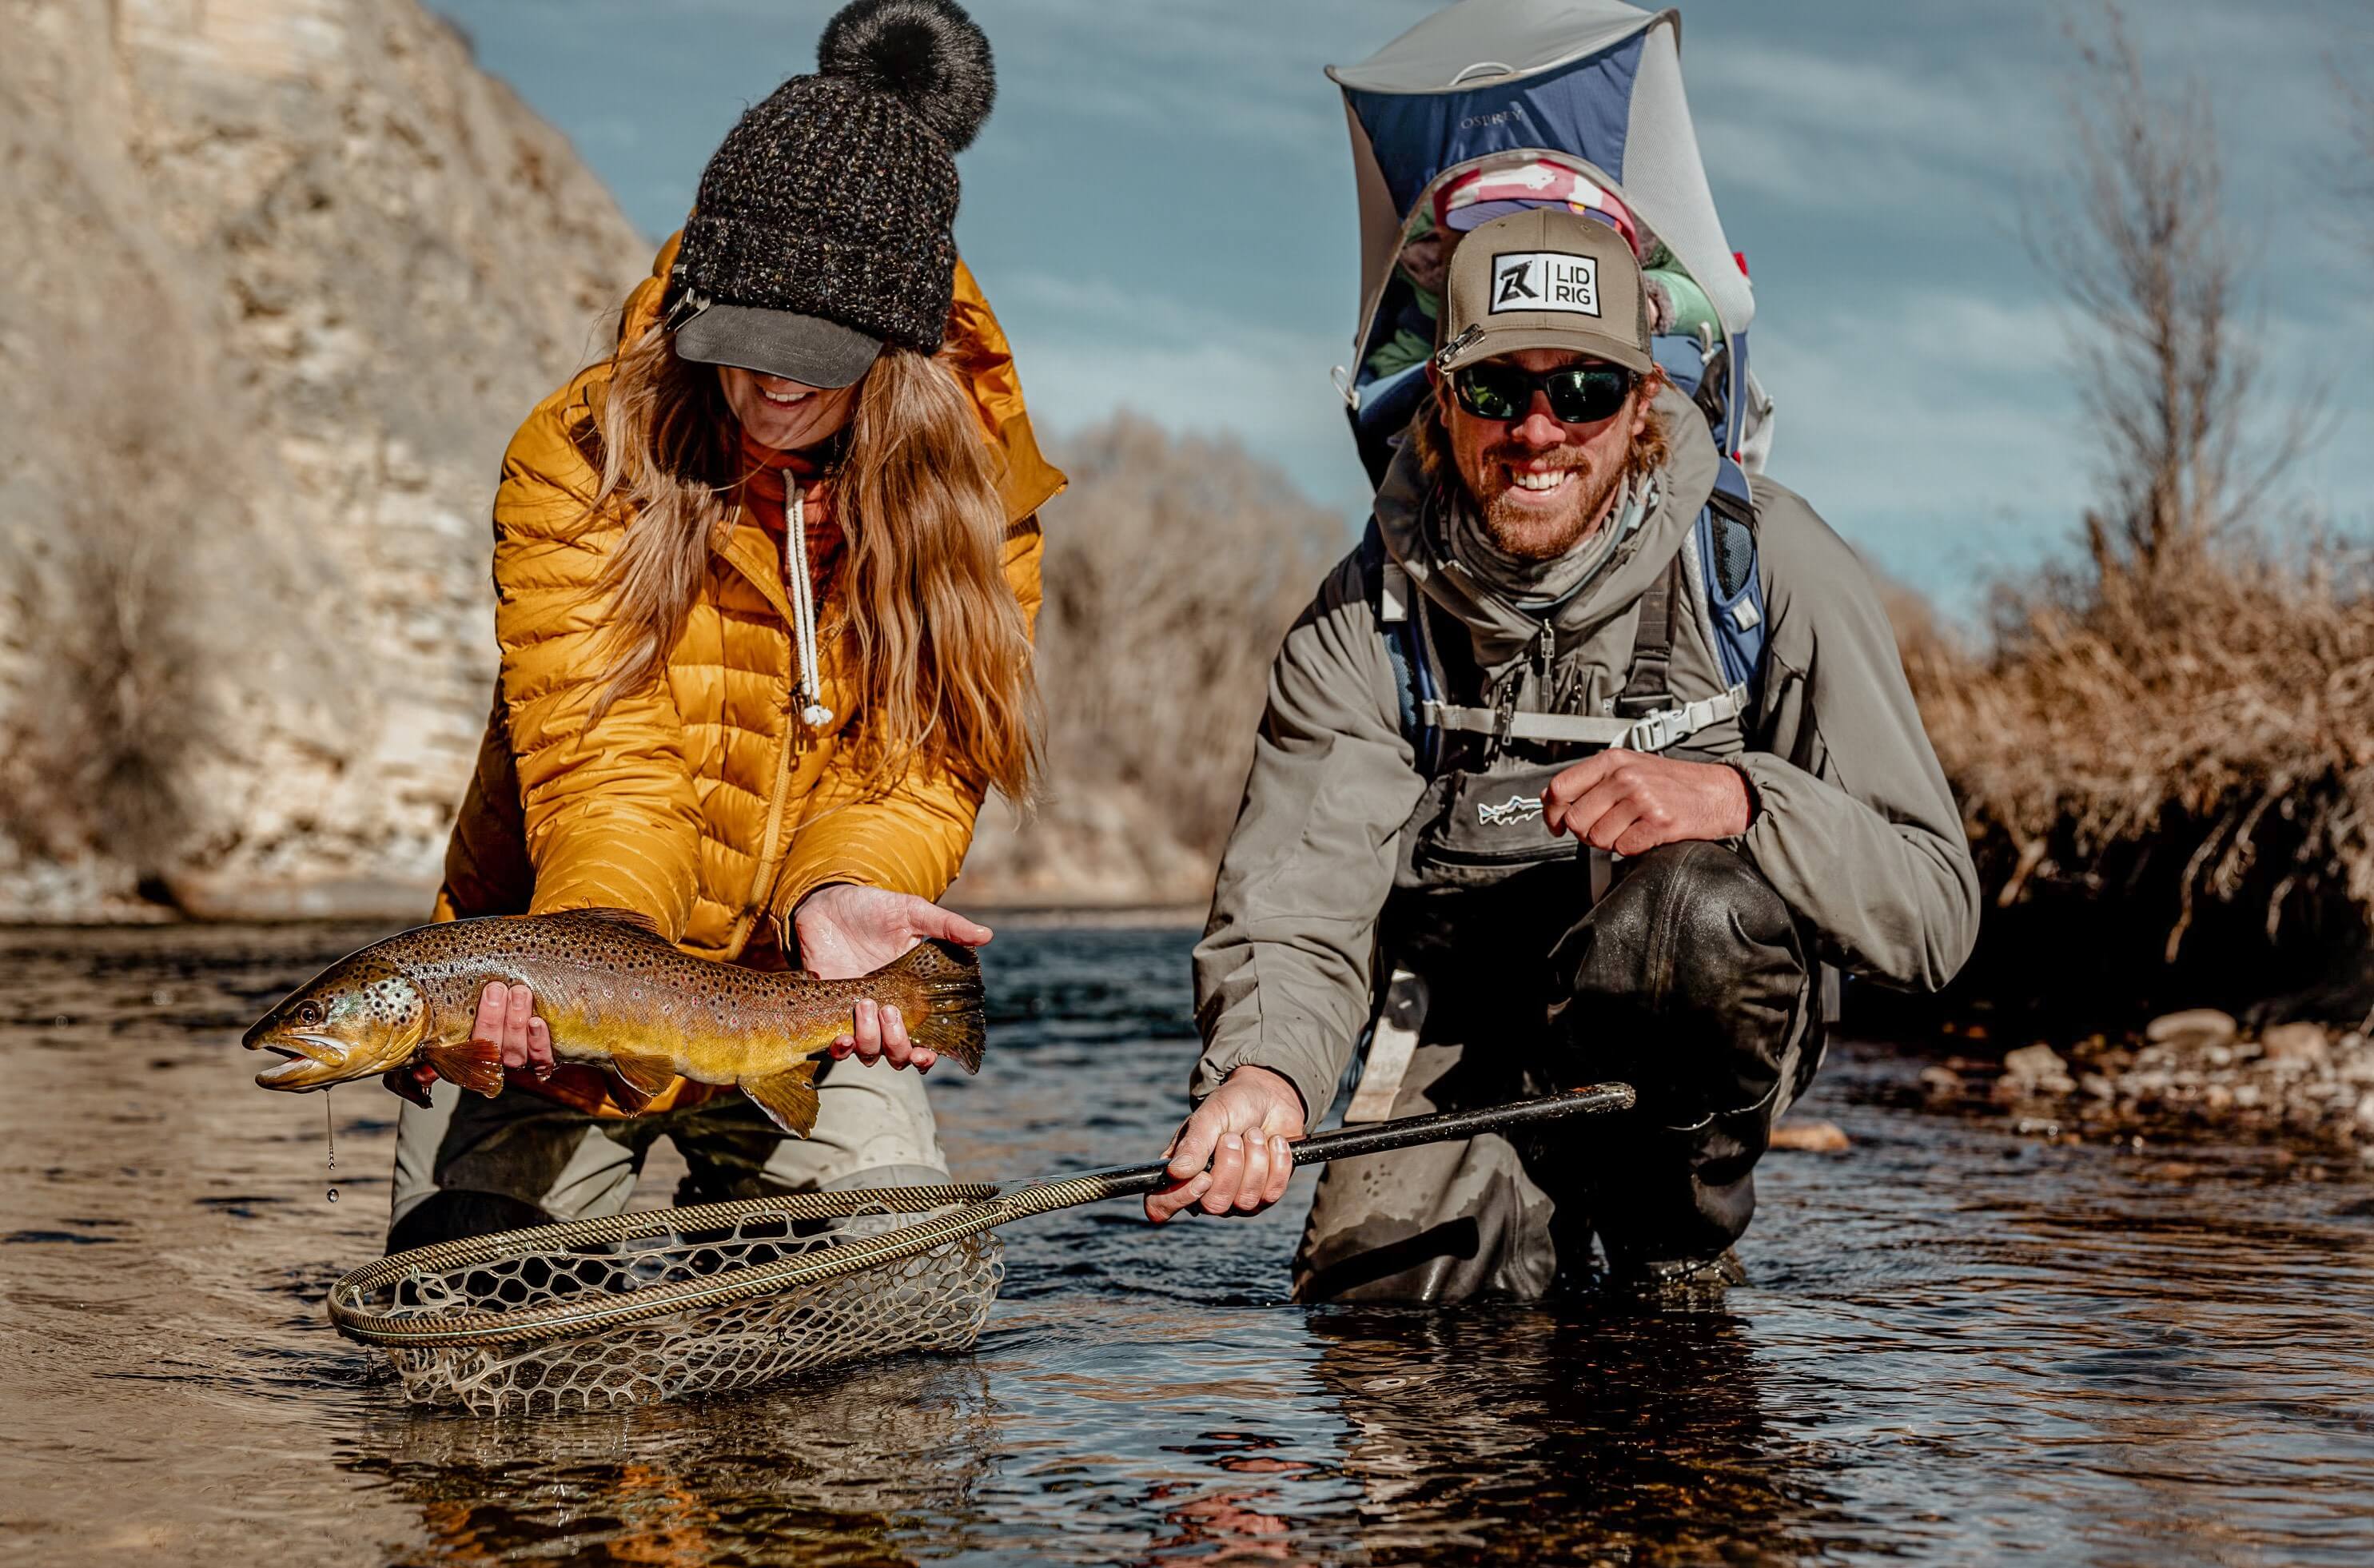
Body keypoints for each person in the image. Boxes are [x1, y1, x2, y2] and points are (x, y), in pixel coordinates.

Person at [1146, 207, 1980, 1300]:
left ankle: (1665, 1234)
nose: (1536, 429)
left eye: (1581, 390)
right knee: (1381, 1325)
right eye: (1497, 389)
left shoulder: (1769, 563)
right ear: (1441, 403)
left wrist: (1742, 798)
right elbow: (1303, 899)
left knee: (1688, 913)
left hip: (1683, 1034)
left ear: (1642, 403)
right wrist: (1263, 1071)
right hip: (1458, 1016)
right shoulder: (1364, 613)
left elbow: (1933, 914)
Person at [384, 0, 1062, 1253]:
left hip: (801, 989)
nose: (769, 384)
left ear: (898, 347)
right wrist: (585, 967)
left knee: (877, 1289)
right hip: (562, 973)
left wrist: (849, 888)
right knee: (473, 1315)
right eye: (741, 343)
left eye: (814, 351)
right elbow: (604, 764)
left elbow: (920, 768)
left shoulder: (979, 504)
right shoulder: (581, 454)